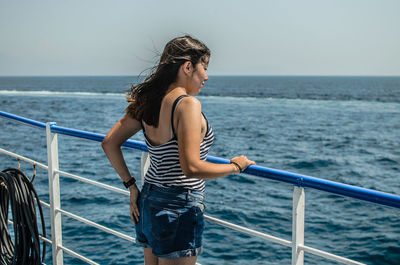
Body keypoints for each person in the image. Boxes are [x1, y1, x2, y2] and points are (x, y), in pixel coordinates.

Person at [102, 35, 255, 265]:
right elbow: (191, 167)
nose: (206, 76)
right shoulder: (187, 104)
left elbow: (109, 143)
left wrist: (131, 185)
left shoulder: (148, 101)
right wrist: (235, 167)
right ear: (187, 67)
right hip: (177, 208)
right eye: (204, 67)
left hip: (149, 199)